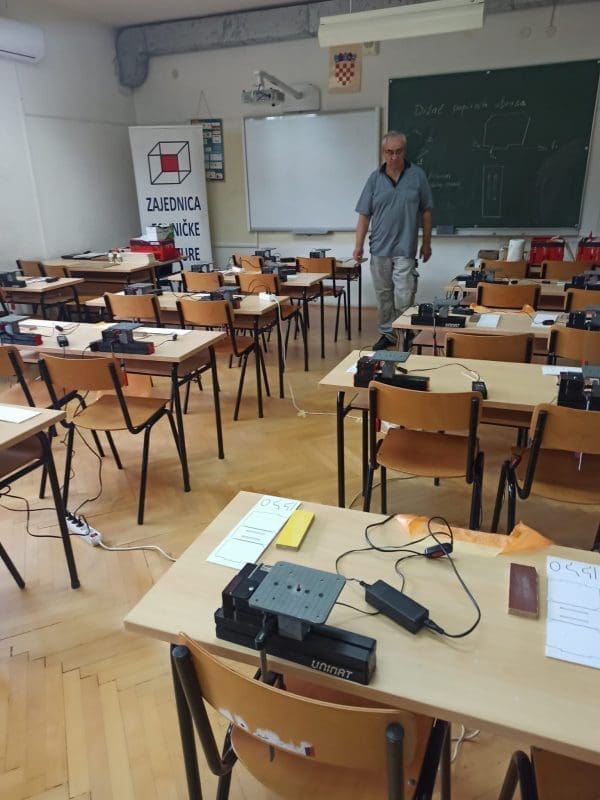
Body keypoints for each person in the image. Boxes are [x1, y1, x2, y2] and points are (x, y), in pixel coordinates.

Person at [353, 131, 433, 350]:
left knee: (404, 295)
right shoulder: (374, 179)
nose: (394, 157)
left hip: (405, 248)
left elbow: (426, 210)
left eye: (398, 152)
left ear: (404, 152)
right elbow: (364, 214)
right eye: (389, 152)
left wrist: (426, 243)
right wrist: (358, 246)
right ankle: (388, 334)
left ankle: (404, 333)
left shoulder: (417, 176)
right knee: (384, 296)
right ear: (383, 152)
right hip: (379, 248)